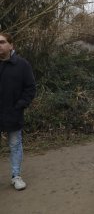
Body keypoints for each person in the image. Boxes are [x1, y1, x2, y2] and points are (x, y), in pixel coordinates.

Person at [0, 33, 36, 191]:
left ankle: (16, 176)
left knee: (15, 145)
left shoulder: (22, 65)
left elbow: (30, 89)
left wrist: (19, 105)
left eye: (1, 42)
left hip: (13, 113)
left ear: (11, 45)